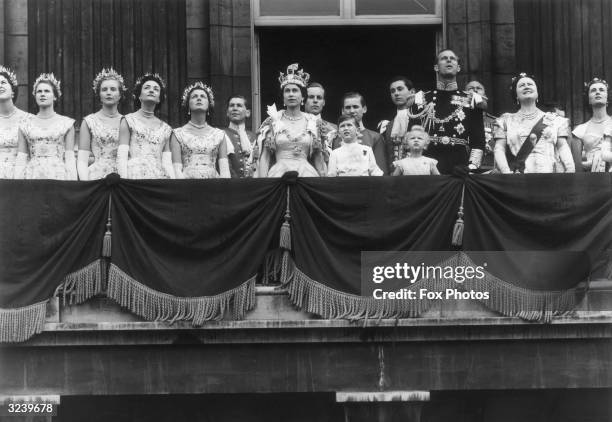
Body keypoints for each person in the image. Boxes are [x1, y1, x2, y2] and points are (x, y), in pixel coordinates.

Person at [409, 49, 485, 174]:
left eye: (452, 58)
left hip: (460, 167)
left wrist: (471, 166)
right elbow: (411, 137)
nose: (449, 60)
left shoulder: (471, 99)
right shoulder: (421, 99)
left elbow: (478, 141)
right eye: (444, 58)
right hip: (425, 166)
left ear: (458, 68)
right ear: (436, 67)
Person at [493, 73, 575, 174]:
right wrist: (506, 173)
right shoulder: (505, 120)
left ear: (537, 93)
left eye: (530, 84)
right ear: (516, 95)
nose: (526, 86)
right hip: (519, 179)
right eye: (521, 85)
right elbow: (499, 148)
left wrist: (570, 170)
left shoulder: (555, 120)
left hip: (550, 178)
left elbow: (562, 147)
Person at [255, 63, 326, 178]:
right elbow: (265, 157)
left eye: (295, 90)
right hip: (278, 175)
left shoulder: (312, 122)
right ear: (283, 97)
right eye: (287, 91)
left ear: (303, 97)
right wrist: (264, 183)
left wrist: (324, 181)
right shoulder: (273, 120)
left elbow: (318, 157)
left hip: (306, 174)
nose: (291, 94)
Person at [16, 73, 76, 180]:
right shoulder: (25, 124)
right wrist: (17, 184)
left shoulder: (66, 124)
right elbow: (21, 158)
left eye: (47, 91)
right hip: (32, 175)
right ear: (35, 96)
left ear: (55, 96)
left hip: (58, 175)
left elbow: (70, 158)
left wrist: (73, 185)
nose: (42, 94)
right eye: (39, 91)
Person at [117, 73, 175, 179]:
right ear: (139, 96)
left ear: (159, 99)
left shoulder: (166, 129)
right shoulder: (128, 120)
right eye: (147, 88)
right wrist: (123, 183)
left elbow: (167, 163)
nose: (151, 90)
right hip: (134, 176)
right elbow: (122, 156)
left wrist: (173, 184)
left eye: (156, 89)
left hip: (159, 178)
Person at [171, 81, 230, 179]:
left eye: (203, 96)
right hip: (186, 186)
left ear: (209, 104)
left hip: (214, 186)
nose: (199, 98)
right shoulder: (177, 134)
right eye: (194, 96)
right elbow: (176, 170)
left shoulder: (219, 134)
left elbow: (225, 171)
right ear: (188, 105)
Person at [77, 68, 126, 180]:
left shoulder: (127, 121)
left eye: (113, 89)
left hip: (123, 176)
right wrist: (86, 185)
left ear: (120, 95)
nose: (108, 92)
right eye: (104, 89)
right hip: (97, 177)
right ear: (99, 94)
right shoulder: (89, 121)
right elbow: (82, 161)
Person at [332, 92, 389, 174]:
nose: (351, 111)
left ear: (364, 109)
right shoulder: (335, 138)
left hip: (368, 185)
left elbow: (381, 170)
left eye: (355, 107)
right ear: (342, 111)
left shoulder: (375, 137)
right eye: (348, 107)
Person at [572, 78, 612, 172]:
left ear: (608, 99)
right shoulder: (580, 130)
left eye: (601, 90)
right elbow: (577, 166)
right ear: (588, 99)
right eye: (593, 90)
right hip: (590, 179)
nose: (597, 92)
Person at [378, 76, 416, 167]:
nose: (396, 93)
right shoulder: (386, 125)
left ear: (412, 92)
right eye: (393, 91)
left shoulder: (422, 119)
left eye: (400, 89)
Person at [0, 65, 30, 179]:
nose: (0, 86)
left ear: (13, 90)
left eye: (3, 83)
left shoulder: (28, 119)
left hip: (23, 175)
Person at [465, 79, 497, 170]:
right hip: (463, 170)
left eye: (479, 88)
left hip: (489, 170)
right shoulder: (457, 121)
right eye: (471, 88)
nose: (475, 90)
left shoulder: (496, 122)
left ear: (485, 96)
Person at [223, 94, 255, 178]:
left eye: (239, 106)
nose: (235, 108)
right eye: (231, 105)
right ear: (227, 112)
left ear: (248, 113)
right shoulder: (221, 134)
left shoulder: (254, 137)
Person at [305, 82, 337, 158]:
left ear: (324, 102)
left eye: (319, 98)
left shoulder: (335, 129)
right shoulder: (294, 124)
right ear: (303, 99)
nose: (315, 100)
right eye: (311, 97)